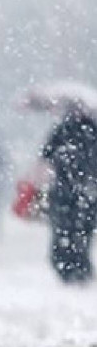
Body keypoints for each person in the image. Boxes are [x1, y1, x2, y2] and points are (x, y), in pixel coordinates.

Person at [41, 105, 97, 284]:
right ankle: (75, 268)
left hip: (77, 192)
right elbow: (46, 155)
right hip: (78, 193)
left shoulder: (64, 130)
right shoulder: (66, 129)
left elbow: (46, 155)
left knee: (73, 232)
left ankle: (75, 268)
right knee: (76, 232)